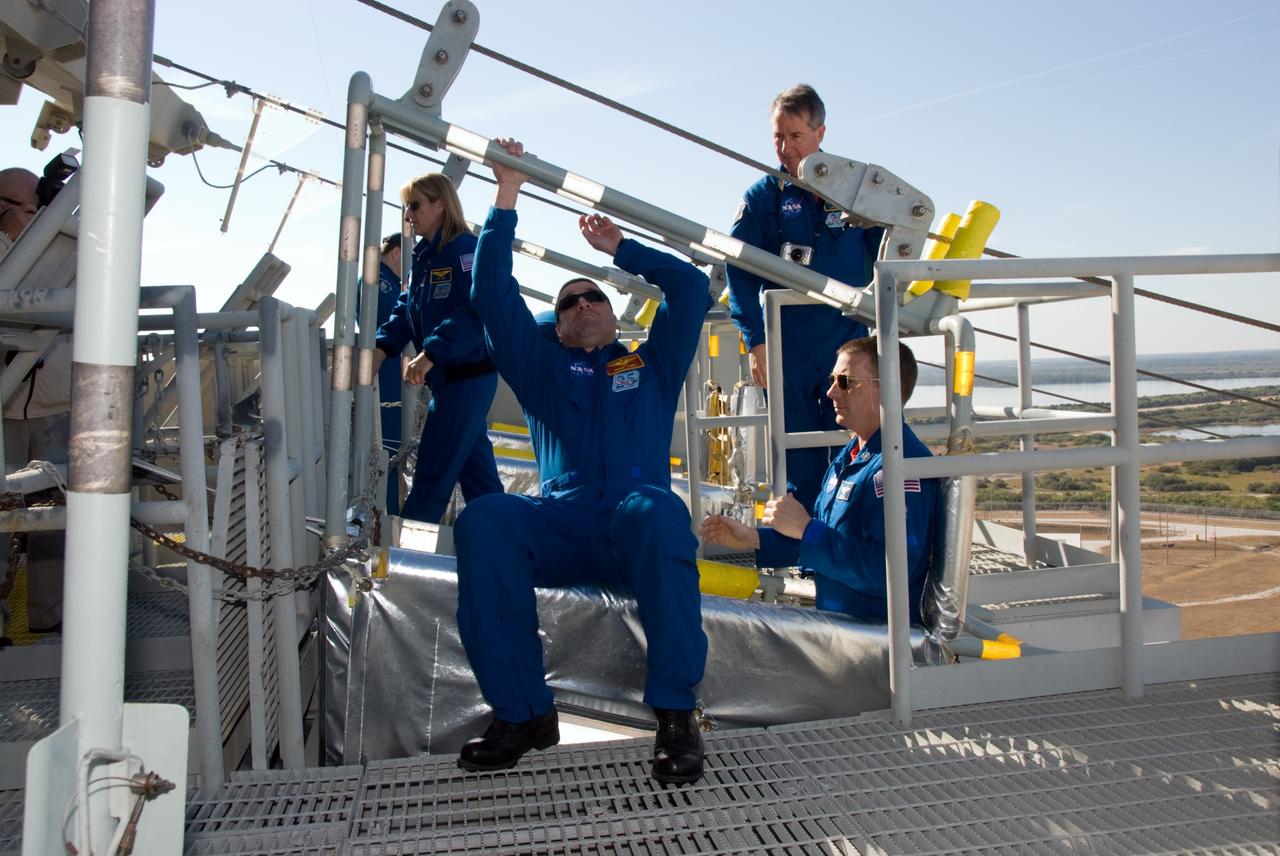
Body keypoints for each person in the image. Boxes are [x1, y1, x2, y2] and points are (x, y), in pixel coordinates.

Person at [453, 138, 711, 785]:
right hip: (563, 524)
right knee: (484, 519)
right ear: (557, 325)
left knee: (657, 507)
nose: (582, 306)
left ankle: (676, 716)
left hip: (633, 525)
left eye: (592, 296)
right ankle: (523, 713)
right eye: (567, 303)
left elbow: (691, 286)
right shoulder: (543, 371)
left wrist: (621, 251)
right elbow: (490, 292)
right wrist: (507, 193)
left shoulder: (651, 364)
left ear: (613, 311)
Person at [726, 84, 885, 513]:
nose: (785, 147)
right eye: (778, 136)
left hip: (849, 341)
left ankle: (853, 533)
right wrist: (754, 341)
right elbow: (737, 270)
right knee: (798, 451)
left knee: (859, 440)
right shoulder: (764, 197)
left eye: (795, 136)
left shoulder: (856, 188)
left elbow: (887, 250)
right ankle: (805, 546)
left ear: (820, 134)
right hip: (788, 347)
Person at [700, 337, 937, 623]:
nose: (831, 392)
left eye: (845, 381)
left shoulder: (901, 467)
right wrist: (752, 540)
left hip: (881, 644)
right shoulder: (850, 457)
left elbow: (889, 572)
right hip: (843, 630)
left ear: (884, 389)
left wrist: (807, 528)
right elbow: (820, 544)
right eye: (832, 379)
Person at [374, 174, 502, 524]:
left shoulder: (465, 251)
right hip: (449, 382)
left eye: (415, 205)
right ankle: (508, 541)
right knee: (479, 479)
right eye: (406, 206)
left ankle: (405, 561)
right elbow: (406, 308)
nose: (408, 214)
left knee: (432, 474)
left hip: (466, 379)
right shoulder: (426, 258)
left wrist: (431, 352)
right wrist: (382, 346)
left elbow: (477, 310)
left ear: (441, 204)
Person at [1, 166, 66, 637]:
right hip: (4, 409)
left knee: (54, 522)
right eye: (25, 206)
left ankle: (51, 618)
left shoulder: (61, 249)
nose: (36, 214)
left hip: (54, 405)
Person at [372, 232, 405, 514]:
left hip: (396, 380)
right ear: (396, 253)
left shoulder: (389, 283)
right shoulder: (379, 283)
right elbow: (394, 322)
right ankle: (388, 515)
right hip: (387, 382)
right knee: (390, 451)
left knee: (396, 451)